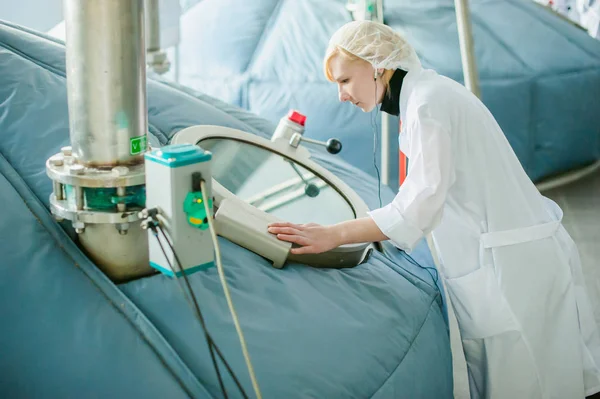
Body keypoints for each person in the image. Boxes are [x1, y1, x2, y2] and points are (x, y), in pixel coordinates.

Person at [267, 20, 600, 399]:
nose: (341, 95)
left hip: (511, 270)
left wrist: (333, 234)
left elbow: (421, 202)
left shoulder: (427, 103)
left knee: (531, 385)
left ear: (378, 65)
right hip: (510, 260)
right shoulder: (427, 96)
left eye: (344, 81)